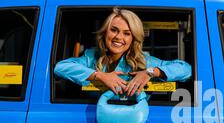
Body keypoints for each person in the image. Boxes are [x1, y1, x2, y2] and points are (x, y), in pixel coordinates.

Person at [55, 7, 192, 97]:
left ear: (133, 39)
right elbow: (60, 67)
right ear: (105, 32)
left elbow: (186, 69)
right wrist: (100, 76)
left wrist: (150, 73)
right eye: (114, 30)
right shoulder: (92, 57)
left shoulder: (144, 61)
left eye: (127, 33)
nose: (118, 37)